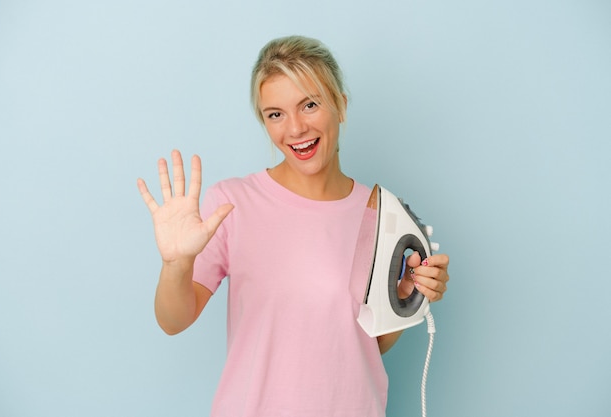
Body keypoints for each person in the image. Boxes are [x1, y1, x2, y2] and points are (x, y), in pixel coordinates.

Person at [137, 35, 450, 417]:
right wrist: (176, 265)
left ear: (341, 106)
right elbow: (173, 320)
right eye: (275, 114)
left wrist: (404, 296)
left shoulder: (379, 212)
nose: (296, 128)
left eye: (310, 105)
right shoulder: (234, 203)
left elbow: (360, 347)